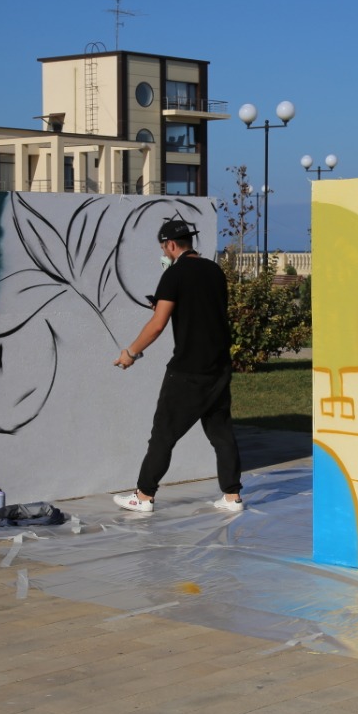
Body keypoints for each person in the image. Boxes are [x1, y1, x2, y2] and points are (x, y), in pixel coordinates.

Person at [111, 218, 243, 514]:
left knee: (163, 435)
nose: (164, 253)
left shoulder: (174, 275)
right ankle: (232, 496)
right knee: (221, 433)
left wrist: (131, 353)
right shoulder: (215, 271)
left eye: (164, 248)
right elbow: (205, 310)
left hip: (187, 370)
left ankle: (144, 496)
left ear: (171, 245)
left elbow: (157, 325)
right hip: (219, 366)